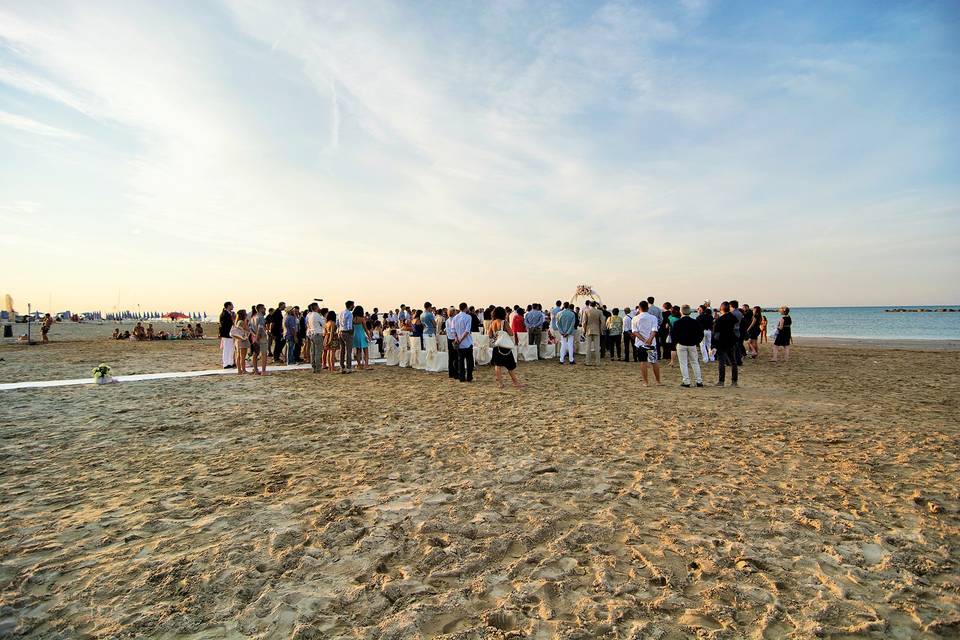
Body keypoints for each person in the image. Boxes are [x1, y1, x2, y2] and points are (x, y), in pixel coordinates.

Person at [489, 306, 524, 389]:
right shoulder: (504, 322)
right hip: (504, 347)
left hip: (496, 346)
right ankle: (515, 382)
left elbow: (490, 335)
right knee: (510, 366)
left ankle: (500, 384)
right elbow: (511, 333)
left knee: (498, 365)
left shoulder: (492, 323)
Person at [673, 305, 704, 388]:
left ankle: (686, 381)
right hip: (692, 344)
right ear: (690, 312)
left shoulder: (677, 323)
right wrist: (696, 342)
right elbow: (701, 334)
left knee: (683, 363)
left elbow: (674, 334)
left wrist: (676, 342)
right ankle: (699, 381)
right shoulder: (695, 322)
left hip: (681, 344)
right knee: (695, 362)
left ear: (681, 312)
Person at [633, 300, 661, 386]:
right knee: (654, 361)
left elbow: (635, 332)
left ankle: (646, 382)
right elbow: (654, 330)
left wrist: (643, 340)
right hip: (651, 343)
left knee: (643, 362)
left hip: (640, 344)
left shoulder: (635, 318)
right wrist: (649, 339)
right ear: (647, 308)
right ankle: (658, 381)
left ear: (639, 308)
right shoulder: (653, 318)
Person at [713, 301, 739, 387]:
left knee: (722, 362)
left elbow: (716, 334)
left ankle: (721, 381)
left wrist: (714, 345)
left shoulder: (720, 320)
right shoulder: (732, 317)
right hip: (731, 340)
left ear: (721, 309)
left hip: (722, 342)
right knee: (733, 361)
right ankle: (734, 381)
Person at [449, 302, 474, 382]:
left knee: (460, 361)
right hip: (467, 342)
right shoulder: (468, 317)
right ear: (465, 308)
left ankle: (462, 377)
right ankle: (469, 377)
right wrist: (460, 339)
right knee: (469, 361)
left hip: (459, 343)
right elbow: (467, 331)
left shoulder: (455, 318)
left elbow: (452, 330)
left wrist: (456, 338)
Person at [582, 300, 603, 366]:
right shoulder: (599, 311)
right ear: (595, 305)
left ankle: (588, 362)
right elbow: (602, 322)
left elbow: (584, 322)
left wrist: (584, 330)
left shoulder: (586, 311)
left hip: (588, 330)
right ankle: (598, 362)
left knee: (588, 347)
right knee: (597, 347)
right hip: (597, 330)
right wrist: (601, 330)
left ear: (590, 305)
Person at [230, 309, 251, 374]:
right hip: (242, 340)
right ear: (243, 315)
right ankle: (243, 370)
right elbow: (247, 330)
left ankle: (239, 370)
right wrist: (247, 323)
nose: (247, 314)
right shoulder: (242, 322)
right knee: (242, 356)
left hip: (238, 340)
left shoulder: (237, 321)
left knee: (238, 356)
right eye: (245, 313)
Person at [305, 302, 324, 373]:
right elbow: (323, 324)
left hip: (312, 334)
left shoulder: (309, 315)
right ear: (316, 307)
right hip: (317, 334)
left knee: (312, 352)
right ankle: (318, 368)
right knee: (318, 352)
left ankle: (313, 366)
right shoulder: (317, 315)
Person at [250, 304, 268, 375]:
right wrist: (257, 338)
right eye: (264, 308)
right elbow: (260, 328)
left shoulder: (253, 317)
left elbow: (250, 329)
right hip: (261, 337)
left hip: (254, 337)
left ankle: (256, 370)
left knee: (255, 354)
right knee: (264, 354)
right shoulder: (261, 317)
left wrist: (254, 336)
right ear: (260, 309)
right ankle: (263, 371)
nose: (265, 310)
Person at [338, 301, 355, 374]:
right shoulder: (349, 314)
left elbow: (338, 323)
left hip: (341, 331)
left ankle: (342, 366)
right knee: (348, 350)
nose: (354, 306)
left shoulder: (341, 313)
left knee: (342, 350)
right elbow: (349, 325)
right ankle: (348, 367)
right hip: (347, 332)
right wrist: (351, 333)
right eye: (353, 305)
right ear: (350, 306)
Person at [353, 304, 370, 370]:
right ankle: (366, 365)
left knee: (358, 351)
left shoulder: (353, 319)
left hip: (355, 335)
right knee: (366, 351)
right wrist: (369, 336)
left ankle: (359, 364)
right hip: (362, 335)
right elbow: (365, 329)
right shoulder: (362, 319)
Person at [730, 299, 744, 366]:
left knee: (733, 347)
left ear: (731, 306)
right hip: (738, 330)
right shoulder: (740, 313)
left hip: (733, 331)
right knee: (737, 346)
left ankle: (735, 360)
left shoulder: (732, 313)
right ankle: (739, 360)